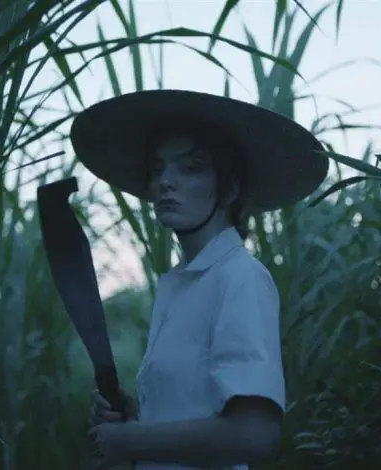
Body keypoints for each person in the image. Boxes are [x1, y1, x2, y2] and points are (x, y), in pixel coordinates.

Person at [70, 89, 328, 469]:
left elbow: (254, 434)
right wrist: (139, 418)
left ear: (230, 188)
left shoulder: (240, 278)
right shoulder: (182, 285)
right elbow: (194, 411)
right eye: (157, 169)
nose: (165, 182)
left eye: (190, 168)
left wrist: (134, 441)